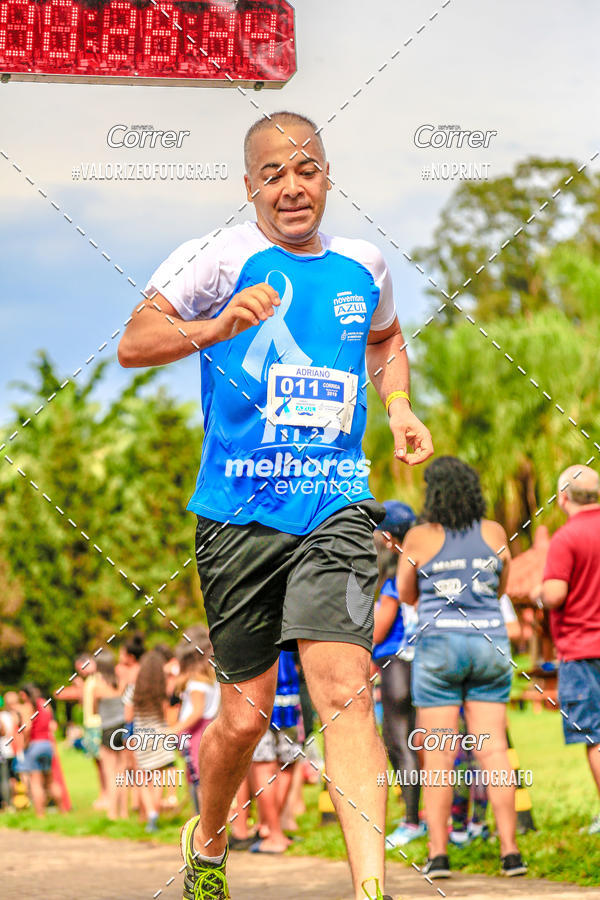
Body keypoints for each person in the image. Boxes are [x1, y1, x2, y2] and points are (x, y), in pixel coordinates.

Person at [118, 109, 433, 900]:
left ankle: (371, 888)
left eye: (307, 170)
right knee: (245, 717)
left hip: (334, 502)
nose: (293, 188)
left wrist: (397, 407)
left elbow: (387, 343)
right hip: (235, 516)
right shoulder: (215, 256)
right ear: (249, 185)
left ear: (327, 175)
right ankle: (212, 836)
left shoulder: (365, 265)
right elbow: (133, 342)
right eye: (274, 174)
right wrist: (218, 322)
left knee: (343, 690)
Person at [396, 456, 526, 878]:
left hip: (439, 647)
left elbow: (406, 594)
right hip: (490, 643)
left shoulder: (417, 537)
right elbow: (501, 587)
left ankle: (438, 856)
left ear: (432, 493)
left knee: (438, 756)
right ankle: (510, 853)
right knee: (493, 750)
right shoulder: (494, 531)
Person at [535, 464, 600, 834]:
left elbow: (555, 594)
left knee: (595, 734)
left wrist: (540, 594)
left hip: (581, 648)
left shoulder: (566, 537)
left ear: (563, 498)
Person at [371, 501, 425, 848]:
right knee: (408, 741)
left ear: (389, 539)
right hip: (406, 664)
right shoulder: (411, 569)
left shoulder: (392, 579)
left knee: (399, 740)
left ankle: (411, 821)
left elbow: (377, 630)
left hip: (396, 664)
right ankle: (420, 817)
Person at [247, 649, 303, 854]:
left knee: (264, 766)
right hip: (290, 697)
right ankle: (272, 827)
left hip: (259, 696)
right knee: (287, 762)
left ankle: (273, 832)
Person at [172, 628, 221, 814]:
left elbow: (197, 712)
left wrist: (173, 730)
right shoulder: (210, 680)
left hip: (196, 735)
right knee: (202, 778)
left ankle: (202, 821)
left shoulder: (197, 684)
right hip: (204, 731)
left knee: (199, 779)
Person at [132, 650, 176, 832]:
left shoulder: (134, 691)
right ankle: (155, 814)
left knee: (142, 778)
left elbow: (128, 715)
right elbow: (168, 715)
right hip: (160, 735)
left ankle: (150, 813)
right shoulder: (163, 691)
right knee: (158, 777)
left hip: (142, 736)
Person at [17, 684, 62, 817]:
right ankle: (62, 811)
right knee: (51, 781)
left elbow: (27, 727)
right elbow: (52, 725)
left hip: (34, 745)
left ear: (24, 695)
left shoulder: (27, 707)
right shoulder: (45, 704)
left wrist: (24, 743)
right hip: (47, 744)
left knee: (36, 782)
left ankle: (40, 815)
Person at [92, 650, 127, 820]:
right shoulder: (121, 682)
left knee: (110, 773)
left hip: (107, 730)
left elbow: (93, 710)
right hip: (123, 728)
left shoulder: (97, 686)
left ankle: (112, 813)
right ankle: (124, 812)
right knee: (122, 772)